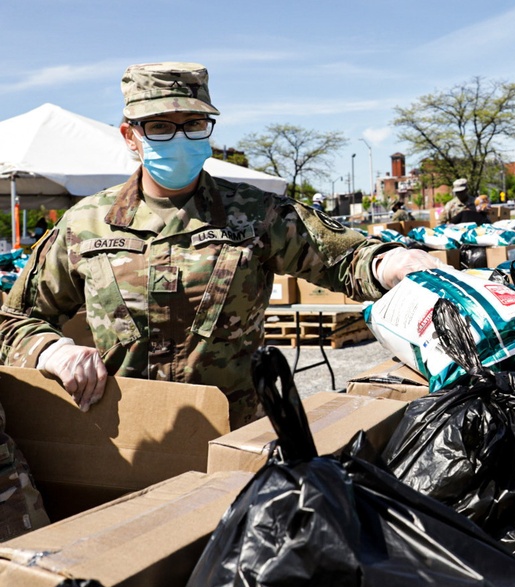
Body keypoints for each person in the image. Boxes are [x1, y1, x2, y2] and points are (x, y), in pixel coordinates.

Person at [0, 62, 444, 428]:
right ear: (130, 137)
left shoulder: (256, 213)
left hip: (233, 435)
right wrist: (51, 349)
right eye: (159, 126)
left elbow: (344, 258)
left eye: (193, 124)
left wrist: (389, 262)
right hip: (120, 436)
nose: (179, 139)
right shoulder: (86, 225)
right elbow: (13, 321)